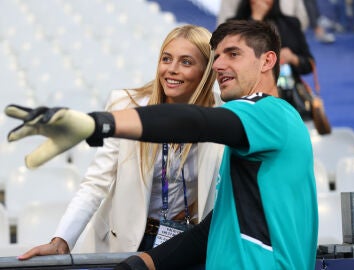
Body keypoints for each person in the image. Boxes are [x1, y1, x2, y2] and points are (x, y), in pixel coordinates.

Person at [5, 19, 318, 269]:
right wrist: (145, 262)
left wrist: (100, 123)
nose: (220, 64)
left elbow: (196, 122)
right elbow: (214, 226)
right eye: (217, 55)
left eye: (232, 54)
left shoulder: (265, 112)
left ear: (268, 61)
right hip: (142, 245)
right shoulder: (253, 126)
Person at [15, 24, 224, 259]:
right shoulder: (126, 105)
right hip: (127, 241)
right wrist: (62, 239)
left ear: (206, 70)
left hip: (185, 243)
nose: (172, 69)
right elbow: (96, 183)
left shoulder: (223, 114)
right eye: (166, 59)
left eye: (186, 62)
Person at [230, 0, 317, 121]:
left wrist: (293, 58)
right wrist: (256, 19)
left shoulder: (290, 23)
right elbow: (233, 61)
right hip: (249, 100)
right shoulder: (233, 26)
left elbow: (309, 64)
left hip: (289, 99)